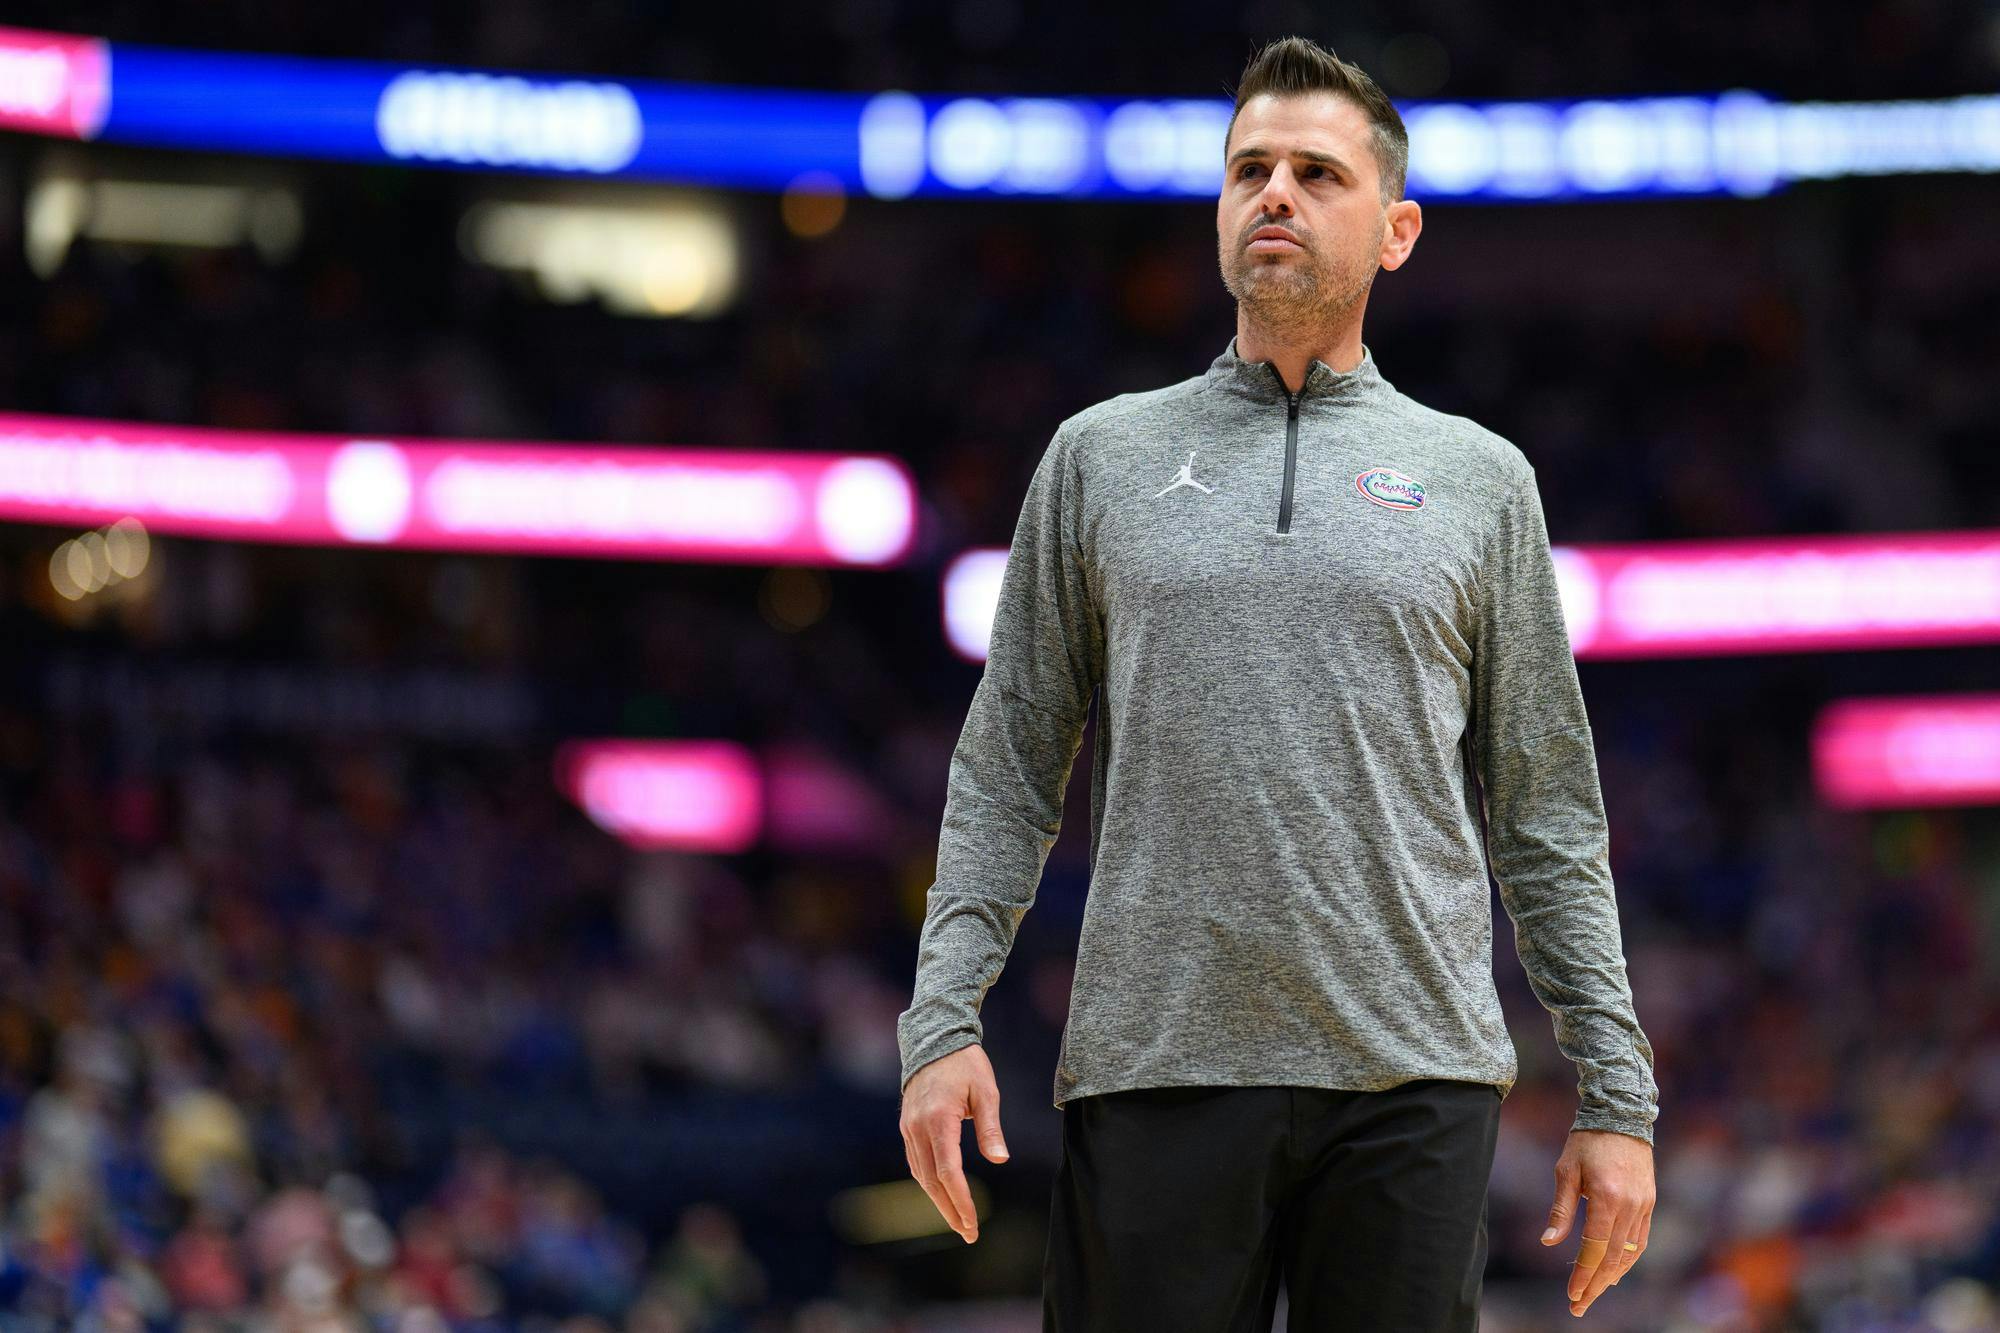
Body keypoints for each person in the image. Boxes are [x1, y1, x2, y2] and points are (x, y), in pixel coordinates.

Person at [896, 34, 1659, 1330]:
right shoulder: (1099, 460)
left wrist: (1616, 1097)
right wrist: (940, 1021)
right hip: (1158, 1061)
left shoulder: (1483, 483)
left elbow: (1547, 814)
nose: (1276, 195)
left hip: (1415, 1076)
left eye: (1317, 172)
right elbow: (1007, 767)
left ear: (1398, 229)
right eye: (1251, 168)